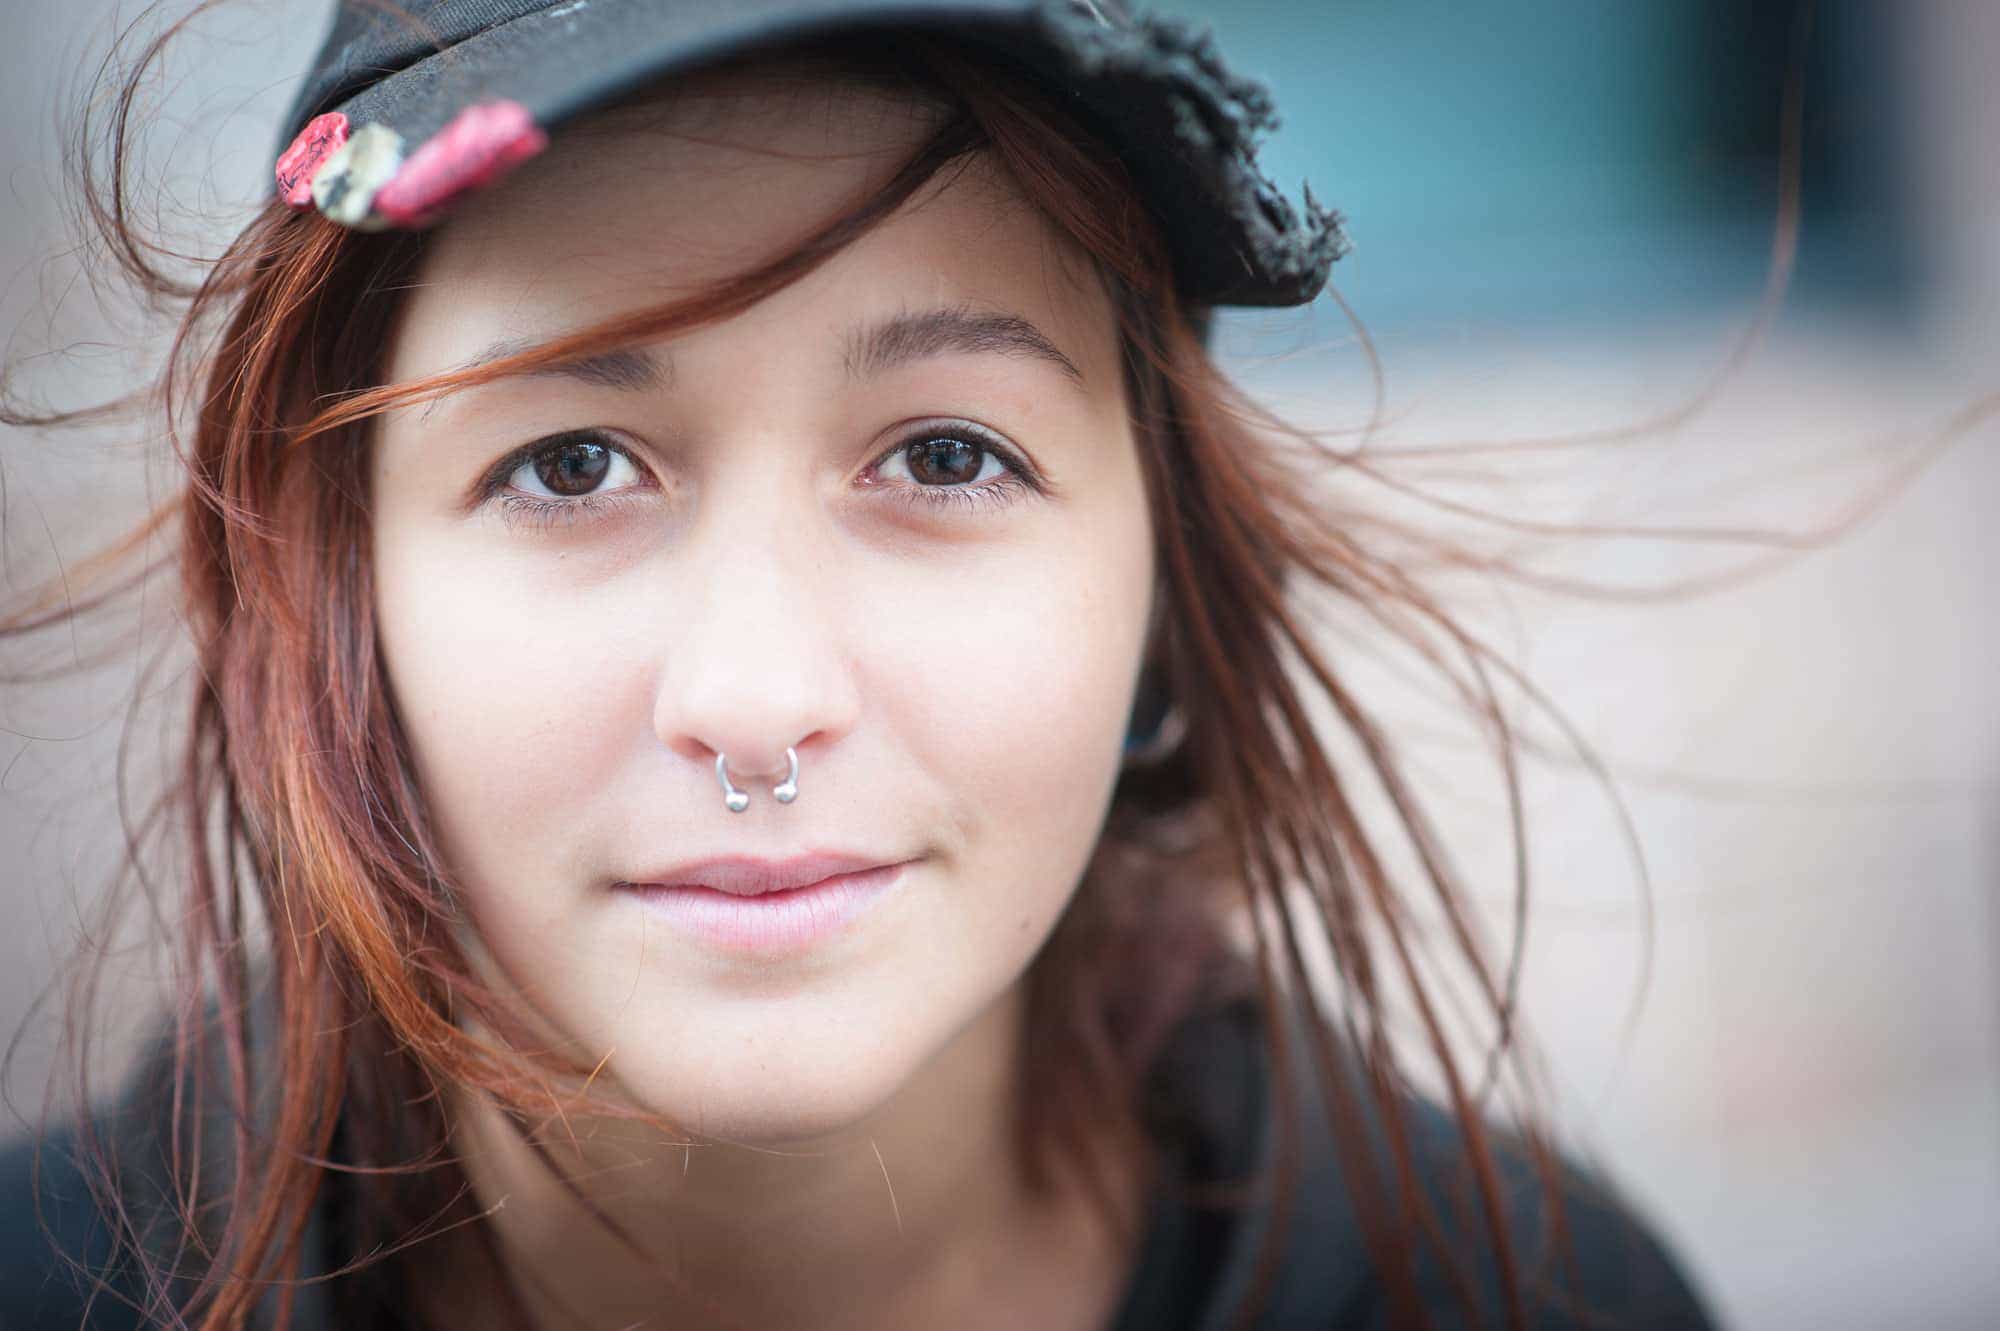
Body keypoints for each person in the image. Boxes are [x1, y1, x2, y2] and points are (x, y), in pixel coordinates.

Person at [0, 1, 1719, 1327]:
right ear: (336, 592)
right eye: (571, 465)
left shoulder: (1533, 1290)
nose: (753, 704)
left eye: (947, 457)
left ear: (1162, 579)